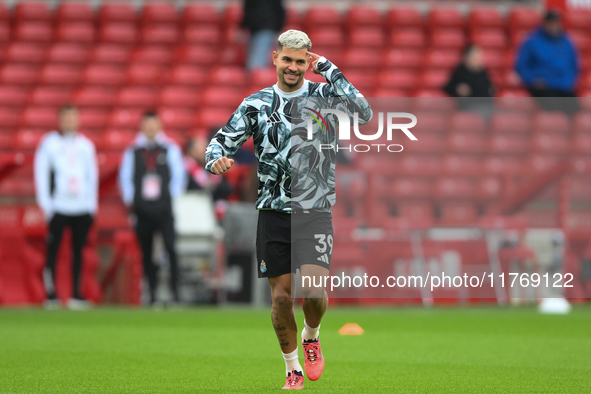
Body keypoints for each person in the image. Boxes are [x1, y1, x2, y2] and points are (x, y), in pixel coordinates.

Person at [205, 30, 372, 390]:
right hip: (273, 211)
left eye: (301, 61)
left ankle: (312, 335)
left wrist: (329, 70)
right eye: (288, 59)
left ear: (307, 61)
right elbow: (220, 140)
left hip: (314, 209)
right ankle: (291, 367)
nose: (293, 67)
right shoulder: (256, 103)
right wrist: (216, 158)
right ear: (276, 58)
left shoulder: (324, 96)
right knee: (282, 296)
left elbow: (365, 113)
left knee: (312, 292)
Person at [118, 111, 186, 306]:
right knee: (146, 253)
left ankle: (175, 292)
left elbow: (179, 176)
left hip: (164, 209)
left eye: (153, 125)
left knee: (171, 248)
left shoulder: (169, 148)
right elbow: (125, 179)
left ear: (159, 126)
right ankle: (152, 293)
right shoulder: (133, 151)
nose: (150, 129)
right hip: (143, 210)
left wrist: (169, 198)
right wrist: (133, 201)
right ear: (142, 127)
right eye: (147, 125)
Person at [34, 104, 98, 310]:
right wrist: (46, 205)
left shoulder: (86, 145)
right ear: (60, 120)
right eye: (66, 117)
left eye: (73, 117)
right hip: (58, 205)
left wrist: (91, 204)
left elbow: (92, 175)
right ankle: (51, 294)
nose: (70, 121)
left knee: (78, 251)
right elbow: (41, 173)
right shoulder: (49, 143)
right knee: (53, 250)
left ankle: (76, 294)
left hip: (81, 206)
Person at [515, 10, 580, 101]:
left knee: (576, 110)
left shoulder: (566, 42)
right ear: (544, 23)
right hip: (543, 88)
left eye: (555, 23)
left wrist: (569, 81)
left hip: (564, 87)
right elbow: (521, 66)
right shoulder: (532, 41)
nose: (553, 26)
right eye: (550, 23)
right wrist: (532, 80)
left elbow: (574, 65)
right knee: (553, 109)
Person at [184, 137, 232, 202]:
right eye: (201, 146)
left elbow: (227, 189)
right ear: (191, 150)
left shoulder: (210, 166)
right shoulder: (184, 168)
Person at [242, 0, 286, 71]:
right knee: (254, 64)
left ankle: (259, 81)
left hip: (266, 29)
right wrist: (243, 27)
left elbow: (279, 11)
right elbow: (248, 10)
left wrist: (278, 30)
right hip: (253, 30)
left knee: (256, 65)